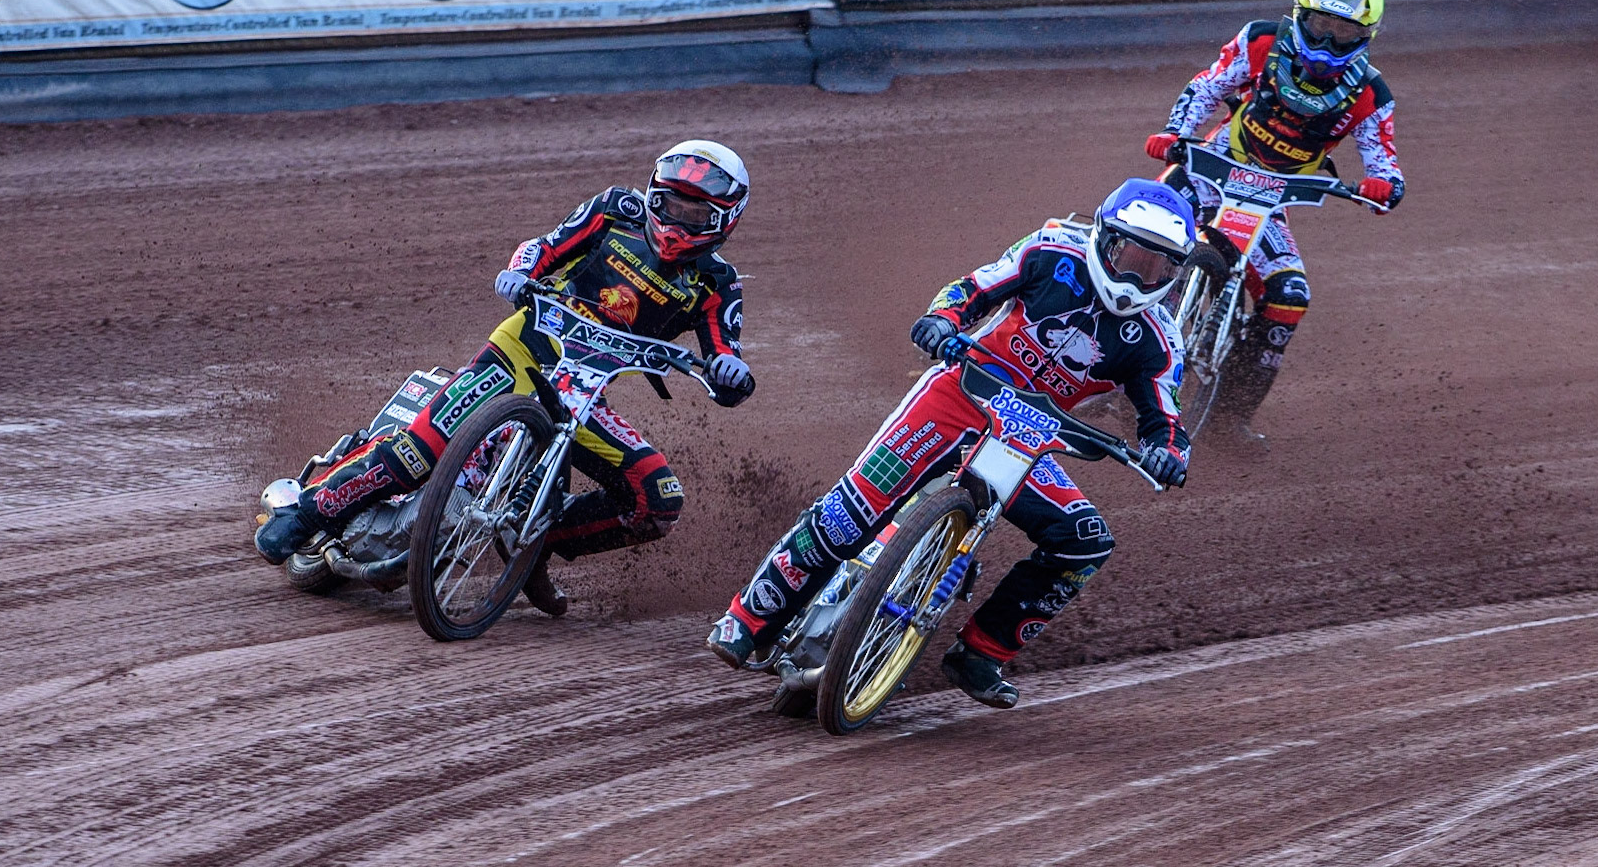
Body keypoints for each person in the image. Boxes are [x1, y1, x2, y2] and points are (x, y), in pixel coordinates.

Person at [706, 180, 1196, 709]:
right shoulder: (1052, 248)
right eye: (1131, 257)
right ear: (1103, 236)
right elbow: (970, 289)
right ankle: (748, 619)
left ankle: (982, 654)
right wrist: (942, 320)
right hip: (960, 394)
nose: (1138, 277)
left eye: (1157, 267)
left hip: (1030, 439)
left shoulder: (1161, 339)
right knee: (853, 508)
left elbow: (1164, 415)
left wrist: (1168, 453)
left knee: (1085, 541)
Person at [255, 139, 758, 567]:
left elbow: (725, 356)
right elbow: (545, 246)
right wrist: (520, 273)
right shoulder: (615, 210)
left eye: (694, 215)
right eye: (669, 205)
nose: (676, 221)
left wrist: (731, 373)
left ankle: (537, 542)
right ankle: (306, 514)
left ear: (724, 220)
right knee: (420, 451)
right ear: (652, 195)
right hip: (522, 348)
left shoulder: (719, 283)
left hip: (582, 392)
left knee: (659, 499)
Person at [1143, 0, 1405, 443]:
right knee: (1138, 228)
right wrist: (1175, 132)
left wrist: (1383, 188)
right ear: (1301, 14)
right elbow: (1207, 87)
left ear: (1367, 34)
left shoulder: (1372, 94)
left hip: (1270, 201)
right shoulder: (1261, 41)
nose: (1327, 42)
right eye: (1321, 24)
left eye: (1343, 31)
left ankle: (1229, 420)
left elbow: (1385, 165)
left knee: (1289, 297)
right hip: (1211, 167)